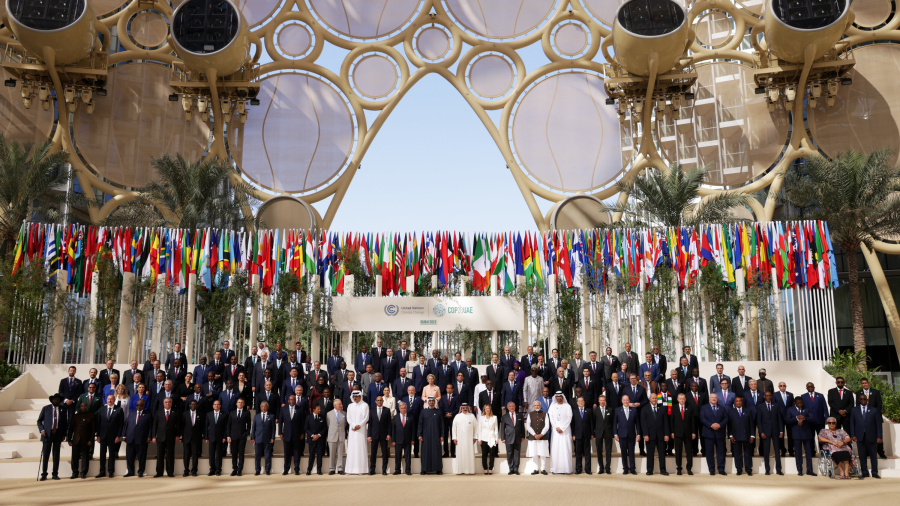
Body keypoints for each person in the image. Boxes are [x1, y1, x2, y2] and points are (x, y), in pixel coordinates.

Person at [850, 393, 883, 479]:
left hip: (872, 436)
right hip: (860, 436)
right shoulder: (854, 410)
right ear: (859, 400)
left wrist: (879, 436)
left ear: (867, 400)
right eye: (861, 399)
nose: (863, 401)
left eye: (864, 399)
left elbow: (878, 425)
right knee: (862, 455)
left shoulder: (874, 410)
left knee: (873, 455)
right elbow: (852, 424)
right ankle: (865, 472)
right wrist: (853, 434)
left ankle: (874, 472)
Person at [37, 393, 68, 481]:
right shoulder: (46, 408)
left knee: (56, 455)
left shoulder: (63, 409)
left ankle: (55, 474)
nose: (56, 400)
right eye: (55, 399)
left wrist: (64, 434)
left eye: (58, 399)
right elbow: (39, 421)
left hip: (58, 434)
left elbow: (65, 423)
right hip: (47, 435)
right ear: (52, 400)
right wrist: (42, 430)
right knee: (46, 455)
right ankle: (44, 474)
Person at [857, 378, 887, 459]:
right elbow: (857, 406)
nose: (864, 384)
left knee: (878, 436)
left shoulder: (876, 392)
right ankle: (867, 453)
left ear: (868, 383)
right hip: (864, 419)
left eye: (865, 383)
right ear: (861, 384)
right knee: (866, 436)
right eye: (863, 383)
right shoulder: (858, 393)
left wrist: (874, 414)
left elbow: (879, 404)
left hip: (875, 417)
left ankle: (881, 453)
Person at [95, 394, 123, 478]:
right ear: (106, 400)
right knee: (102, 454)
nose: (109, 400)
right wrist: (98, 435)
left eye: (111, 399)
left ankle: (111, 471)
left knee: (111, 454)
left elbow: (121, 424)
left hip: (113, 436)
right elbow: (98, 423)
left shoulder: (119, 410)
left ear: (114, 400)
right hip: (103, 436)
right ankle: (102, 471)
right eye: (108, 399)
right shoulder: (101, 409)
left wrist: (118, 436)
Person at [786, 397, 815, 476]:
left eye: (801, 403)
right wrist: (796, 418)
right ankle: (800, 470)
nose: (800, 405)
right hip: (796, 434)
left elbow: (812, 418)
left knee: (808, 453)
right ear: (795, 402)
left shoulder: (806, 409)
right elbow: (787, 420)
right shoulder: (790, 409)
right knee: (798, 453)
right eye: (798, 403)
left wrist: (804, 418)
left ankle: (809, 470)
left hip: (806, 434)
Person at [640, 394, 669, 475]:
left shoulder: (663, 408)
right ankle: (649, 470)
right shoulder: (644, 409)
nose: (654, 399)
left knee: (662, 453)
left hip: (661, 435)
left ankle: (663, 470)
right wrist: (645, 434)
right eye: (653, 398)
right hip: (649, 435)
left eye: (656, 398)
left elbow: (666, 422)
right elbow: (643, 423)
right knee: (650, 453)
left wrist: (666, 434)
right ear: (649, 399)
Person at [757, 391, 784, 475]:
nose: (768, 397)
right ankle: (767, 469)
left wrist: (781, 431)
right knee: (766, 451)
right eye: (767, 396)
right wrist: (761, 432)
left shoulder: (776, 406)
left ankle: (779, 469)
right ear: (764, 396)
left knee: (777, 451)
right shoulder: (760, 406)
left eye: (770, 395)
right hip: (765, 432)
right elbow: (759, 420)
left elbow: (779, 419)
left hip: (775, 431)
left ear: (771, 397)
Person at [66, 402, 95, 479]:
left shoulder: (91, 415)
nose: (83, 407)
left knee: (85, 458)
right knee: (74, 457)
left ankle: (83, 473)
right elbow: (71, 429)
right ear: (79, 407)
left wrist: (91, 440)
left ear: (87, 407)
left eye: (85, 406)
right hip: (76, 440)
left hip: (86, 441)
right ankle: (75, 472)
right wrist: (69, 439)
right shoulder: (75, 416)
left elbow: (93, 430)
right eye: (82, 406)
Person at [727, 396, 755, 475]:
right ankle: (739, 469)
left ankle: (748, 469)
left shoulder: (748, 411)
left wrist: (752, 435)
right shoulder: (731, 412)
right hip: (735, 436)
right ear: (734, 403)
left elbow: (751, 424)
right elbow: (729, 425)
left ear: (742, 402)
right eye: (737, 401)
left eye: (740, 401)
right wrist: (731, 435)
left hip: (747, 436)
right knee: (737, 453)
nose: (738, 402)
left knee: (748, 453)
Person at [700, 394, 728, 475]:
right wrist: (711, 425)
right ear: (709, 399)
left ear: (717, 399)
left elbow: (726, 418)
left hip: (720, 433)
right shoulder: (704, 407)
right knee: (709, 452)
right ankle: (711, 469)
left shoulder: (722, 407)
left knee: (721, 452)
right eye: (712, 397)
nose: (714, 399)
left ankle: (721, 469)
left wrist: (720, 425)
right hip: (708, 433)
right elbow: (702, 418)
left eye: (715, 397)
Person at [123, 399, 151, 477]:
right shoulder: (131, 414)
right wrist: (124, 435)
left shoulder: (148, 414)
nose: (138, 407)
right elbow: (126, 425)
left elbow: (150, 427)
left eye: (140, 405)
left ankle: (140, 472)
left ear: (144, 406)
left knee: (141, 456)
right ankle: (130, 471)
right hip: (130, 438)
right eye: (137, 405)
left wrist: (149, 436)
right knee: (129, 456)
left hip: (142, 438)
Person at [152, 397, 179, 477]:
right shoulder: (158, 412)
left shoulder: (175, 413)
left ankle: (170, 472)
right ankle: (159, 472)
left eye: (169, 402)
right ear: (163, 404)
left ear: (171, 403)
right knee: (160, 456)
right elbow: (155, 425)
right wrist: (154, 436)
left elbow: (178, 426)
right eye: (166, 402)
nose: (168, 403)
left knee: (170, 455)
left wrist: (177, 435)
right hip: (160, 437)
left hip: (171, 437)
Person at [547, 392, 573, 474]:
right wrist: (556, 427)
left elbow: (569, 418)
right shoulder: (552, 406)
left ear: (562, 397)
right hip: (556, 432)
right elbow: (551, 418)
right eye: (557, 396)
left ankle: (567, 469)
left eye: (560, 396)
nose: (558, 398)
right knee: (556, 449)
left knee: (566, 448)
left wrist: (562, 428)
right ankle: (555, 469)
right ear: (555, 397)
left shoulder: (567, 406)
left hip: (565, 431)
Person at [279, 395, 306, 475]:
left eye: (293, 400)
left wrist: (302, 433)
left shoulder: (300, 409)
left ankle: (296, 469)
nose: (292, 401)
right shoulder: (283, 409)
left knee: (296, 452)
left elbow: (302, 423)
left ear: (295, 401)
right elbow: (280, 422)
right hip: (286, 435)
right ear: (288, 401)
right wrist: (280, 433)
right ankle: (286, 469)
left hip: (297, 435)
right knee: (287, 453)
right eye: (290, 399)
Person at [344, 390, 369, 474]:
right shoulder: (350, 406)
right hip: (352, 430)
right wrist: (354, 425)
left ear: (360, 396)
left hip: (361, 430)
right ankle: (350, 469)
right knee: (352, 448)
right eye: (353, 397)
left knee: (361, 448)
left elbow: (366, 418)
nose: (355, 398)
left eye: (356, 397)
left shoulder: (365, 405)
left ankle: (361, 469)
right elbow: (348, 418)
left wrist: (359, 425)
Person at [418, 397, 444, 474]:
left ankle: (438, 469)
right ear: (428, 402)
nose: (431, 402)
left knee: (436, 452)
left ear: (435, 402)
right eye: (430, 401)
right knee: (425, 452)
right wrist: (419, 434)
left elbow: (442, 425)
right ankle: (424, 469)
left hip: (436, 436)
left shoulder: (439, 412)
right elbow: (420, 424)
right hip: (426, 436)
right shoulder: (423, 412)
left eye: (433, 401)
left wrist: (442, 435)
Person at [670, 393, 695, 475]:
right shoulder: (674, 408)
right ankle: (679, 469)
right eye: (680, 399)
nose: (682, 400)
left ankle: (689, 469)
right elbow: (671, 421)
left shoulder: (690, 407)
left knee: (689, 452)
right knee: (678, 452)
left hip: (688, 433)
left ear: (685, 399)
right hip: (677, 434)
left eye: (683, 398)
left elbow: (693, 421)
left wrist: (694, 432)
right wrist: (672, 432)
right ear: (677, 399)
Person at [226, 398, 251, 476]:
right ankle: (234, 469)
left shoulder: (247, 413)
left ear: (244, 404)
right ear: (236, 403)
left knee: (241, 453)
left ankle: (240, 469)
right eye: (239, 402)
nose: (240, 404)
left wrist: (247, 434)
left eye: (242, 402)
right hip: (233, 436)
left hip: (242, 436)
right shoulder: (232, 413)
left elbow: (249, 425)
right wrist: (228, 436)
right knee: (234, 453)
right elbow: (228, 425)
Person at [368, 395, 391, 475]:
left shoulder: (387, 410)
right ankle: (372, 469)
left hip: (384, 435)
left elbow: (389, 424)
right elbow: (370, 424)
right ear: (375, 401)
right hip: (374, 434)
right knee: (373, 453)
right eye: (378, 400)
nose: (379, 401)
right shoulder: (371, 411)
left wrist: (389, 434)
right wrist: (369, 435)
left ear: (383, 401)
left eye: (381, 400)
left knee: (384, 453)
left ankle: (384, 470)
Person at [451, 403, 477, 474]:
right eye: (463, 408)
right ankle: (460, 470)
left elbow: (476, 428)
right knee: (460, 454)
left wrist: (475, 437)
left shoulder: (472, 416)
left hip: (469, 440)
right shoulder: (457, 416)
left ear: (468, 408)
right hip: (460, 439)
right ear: (461, 408)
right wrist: (454, 438)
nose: (465, 409)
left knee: (469, 454)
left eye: (466, 408)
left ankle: (469, 470)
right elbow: (453, 428)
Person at [251, 402, 276, 475]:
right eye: (262, 406)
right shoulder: (256, 416)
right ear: (260, 407)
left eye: (265, 406)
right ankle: (257, 470)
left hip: (267, 438)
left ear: (267, 407)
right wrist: (253, 437)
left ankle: (267, 470)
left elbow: (273, 429)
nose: (264, 408)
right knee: (257, 455)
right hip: (258, 438)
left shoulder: (271, 416)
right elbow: (253, 428)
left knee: (267, 454)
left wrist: (272, 437)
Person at [501, 401, 525, 475]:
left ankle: (516, 468)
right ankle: (511, 468)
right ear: (508, 408)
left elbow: (522, 427)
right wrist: (503, 438)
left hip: (518, 437)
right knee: (509, 453)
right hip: (508, 438)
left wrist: (523, 436)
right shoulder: (504, 416)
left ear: (515, 407)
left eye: (513, 406)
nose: (512, 407)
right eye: (510, 406)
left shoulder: (520, 416)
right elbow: (502, 428)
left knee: (517, 453)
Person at [526, 400, 550, 474]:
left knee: (543, 453)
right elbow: (528, 426)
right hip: (533, 437)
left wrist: (541, 434)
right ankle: (536, 469)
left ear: (540, 406)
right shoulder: (530, 414)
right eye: (535, 405)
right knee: (534, 453)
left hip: (543, 437)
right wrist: (534, 434)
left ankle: (543, 469)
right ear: (533, 406)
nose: (537, 406)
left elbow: (547, 426)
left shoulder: (545, 414)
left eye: (538, 405)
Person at [181, 399, 204, 477]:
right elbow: (182, 426)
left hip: (196, 438)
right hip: (186, 438)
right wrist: (181, 436)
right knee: (186, 455)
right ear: (189, 405)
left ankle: (194, 470)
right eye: (192, 404)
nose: (193, 406)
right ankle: (186, 470)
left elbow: (202, 427)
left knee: (195, 455)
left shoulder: (201, 414)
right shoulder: (184, 414)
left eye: (195, 404)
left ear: (197, 406)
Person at [571, 397, 593, 474]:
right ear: (577, 402)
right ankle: (578, 469)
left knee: (587, 453)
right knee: (578, 453)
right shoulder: (574, 411)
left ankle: (587, 469)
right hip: (578, 435)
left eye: (582, 401)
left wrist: (592, 434)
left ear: (584, 402)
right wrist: (573, 434)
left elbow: (591, 423)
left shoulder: (589, 411)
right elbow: (572, 424)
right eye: (579, 401)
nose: (580, 402)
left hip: (587, 435)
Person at [205, 400, 228, 476]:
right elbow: (206, 427)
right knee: (211, 454)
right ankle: (212, 469)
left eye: (218, 404)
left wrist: (225, 437)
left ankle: (218, 469)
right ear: (212, 406)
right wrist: (206, 437)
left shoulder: (224, 414)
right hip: (211, 437)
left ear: (220, 406)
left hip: (220, 437)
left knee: (219, 454)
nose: (216, 405)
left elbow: (226, 427)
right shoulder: (209, 414)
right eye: (215, 404)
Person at [392, 401, 414, 475]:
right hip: (398, 440)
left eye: (404, 408)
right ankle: (397, 469)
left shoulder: (411, 416)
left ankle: (408, 470)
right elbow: (393, 430)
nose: (403, 409)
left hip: (408, 440)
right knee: (398, 455)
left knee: (408, 456)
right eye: (401, 408)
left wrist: (413, 439)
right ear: (399, 409)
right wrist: (393, 440)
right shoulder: (396, 417)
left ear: (406, 408)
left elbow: (413, 429)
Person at [477, 404, 499, 474]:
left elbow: (496, 429)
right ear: (484, 410)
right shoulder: (481, 418)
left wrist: (496, 438)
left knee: (492, 454)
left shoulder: (494, 417)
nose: (487, 410)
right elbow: (479, 429)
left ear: (490, 409)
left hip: (492, 438)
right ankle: (485, 468)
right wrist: (479, 439)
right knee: (484, 454)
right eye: (486, 409)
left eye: (488, 408)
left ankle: (491, 468)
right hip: (484, 438)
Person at [774, 381, 794, 457]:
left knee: (790, 435)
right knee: (780, 435)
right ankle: (782, 450)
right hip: (779, 418)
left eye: (784, 385)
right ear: (778, 387)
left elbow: (792, 406)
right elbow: (774, 406)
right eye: (781, 385)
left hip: (789, 418)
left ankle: (791, 450)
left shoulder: (790, 394)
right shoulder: (775, 395)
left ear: (786, 386)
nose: (783, 387)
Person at [306, 404, 327, 475]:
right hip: (312, 440)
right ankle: (309, 470)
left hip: (320, 439)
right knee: (311, 455)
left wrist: (318, 435)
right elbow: (306, 428)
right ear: (313, 409)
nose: (320, 410)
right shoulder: (308, 417)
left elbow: (325, 428)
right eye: (318, 409)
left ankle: (319, 470)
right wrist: (312, 435)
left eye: (320, 409)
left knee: (319, 455)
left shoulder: (322, 417)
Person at [440, 383, 460, 457]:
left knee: (453, 436)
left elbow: (458, 408)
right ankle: (446, 452)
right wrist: (445, 414)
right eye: (447, 388)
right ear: (446, 389)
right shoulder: (443, 397)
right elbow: (441, 407)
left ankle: (452, 452)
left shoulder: (456, 397)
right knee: (445, 436)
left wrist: (451, 414)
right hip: (445, 419)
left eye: (450, 388)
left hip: (453, 419)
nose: (449, 389)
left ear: (453, 389)